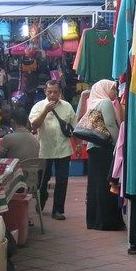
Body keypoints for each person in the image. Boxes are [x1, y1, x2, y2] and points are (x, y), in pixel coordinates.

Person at [80, 79, 126, 231]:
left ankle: (94, 220)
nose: (115, 92)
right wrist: (118, 143)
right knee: (106, 184)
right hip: (104, 148)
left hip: (93, 149)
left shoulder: (93, 102)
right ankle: (107, 221)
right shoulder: (105, 102)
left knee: (95, 185)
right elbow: (110, 125)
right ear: (105, 89)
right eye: (113, 89)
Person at [29, 79, 76, 220]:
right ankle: (41, 201)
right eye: (50, 92)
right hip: (45, 150)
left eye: (55, 92)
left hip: (63, 149)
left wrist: (78, 144)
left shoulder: (67, 107)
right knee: (43, 180)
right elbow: (34, 126)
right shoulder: (38, 106)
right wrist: (45, 111)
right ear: (45, 91)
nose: (52, 95)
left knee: (62, 180)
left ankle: (58, 210)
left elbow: (74, 127)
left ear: (60, 92)